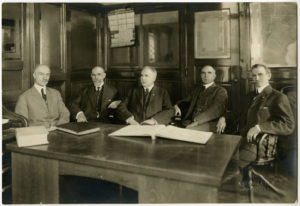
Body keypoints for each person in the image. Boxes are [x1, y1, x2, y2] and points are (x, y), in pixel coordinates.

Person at [219, 64, 295, 166]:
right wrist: (223, 117)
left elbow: (288, 125)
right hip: (240, 138)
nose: (257, 78)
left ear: (268, 76)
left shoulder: (278, 97)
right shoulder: (248, 96)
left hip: (259, 143)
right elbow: (235, 113)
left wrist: (260, 127)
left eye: (260, 74)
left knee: (231, 164)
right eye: (254, 75)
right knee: (217, 155)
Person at [174, 65, 228, 132]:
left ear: (214, 76)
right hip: (191, 121)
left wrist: (197, 122)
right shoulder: (197, 90)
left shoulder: (220, 90)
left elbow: (216, 109)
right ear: (200, 75)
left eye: (209, 73)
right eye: (203, 73)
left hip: (209, 122)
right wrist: (176, 106)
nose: (206, 75)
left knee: (188, 131)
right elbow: (185, 101)